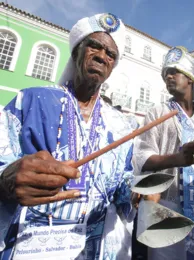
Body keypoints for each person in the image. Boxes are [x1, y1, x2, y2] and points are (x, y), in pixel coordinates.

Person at [0, 13, 135, 260]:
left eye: (111, 54)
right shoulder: (30, 100)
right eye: (94, 45)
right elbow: (4, 168)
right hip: (32, 245)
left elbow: (122, 188)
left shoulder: (122, 125)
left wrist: (138, 192)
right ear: (76, 52)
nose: (102, 56)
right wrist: (6, 180)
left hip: (95, 248)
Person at [133, 46, 194, 260]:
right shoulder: (158, 113)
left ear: (190, 78)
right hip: (169, 207)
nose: (168, 76)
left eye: (174, 71)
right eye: (165, 73)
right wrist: (176, 159)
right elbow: (141, 157)